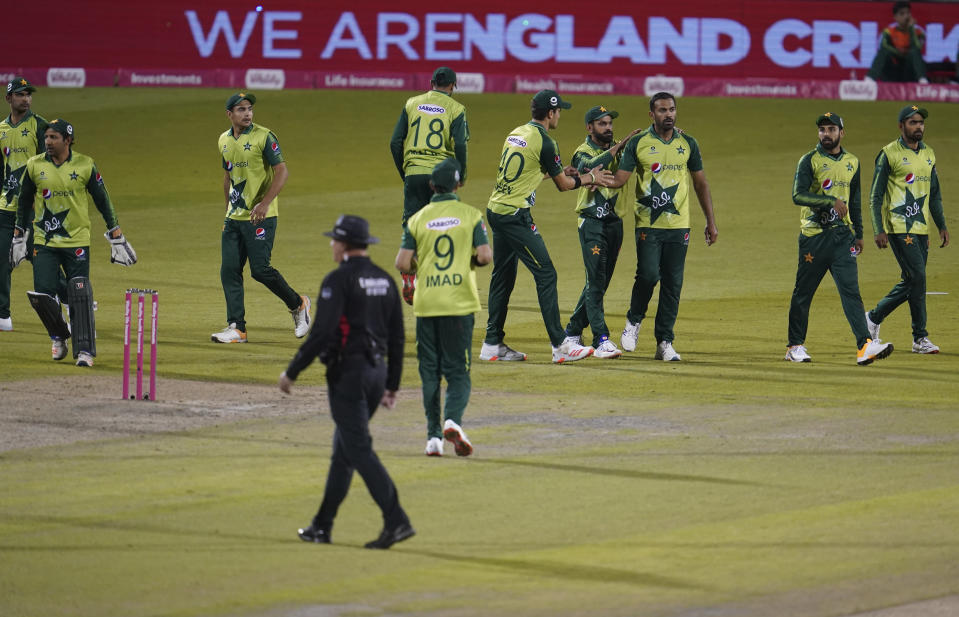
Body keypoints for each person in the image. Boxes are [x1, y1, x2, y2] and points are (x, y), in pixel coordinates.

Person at [280, 215, 414, 550]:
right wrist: (392, 385)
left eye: (334, 239)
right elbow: (398, 337)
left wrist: (292, 371)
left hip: (348, 377)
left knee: (359, 450)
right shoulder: (384, 280)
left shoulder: (337, 280)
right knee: (344, 452)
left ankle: (396, 520)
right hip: (377, 374)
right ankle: (321, 526)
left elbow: (322, 333)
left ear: (343, 244)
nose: (331, 244)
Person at [480, 89, 613, 364]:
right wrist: (590, 177)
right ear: (551, 113)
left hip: (496, 209)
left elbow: (523, 172)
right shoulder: (546, 142)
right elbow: (564, 187)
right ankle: (559, 345)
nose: (559, 115)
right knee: (546, 274)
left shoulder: (516, 133)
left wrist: (557, 171)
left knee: (503, 277)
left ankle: (492, 344)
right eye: (559, 111)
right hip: (516, 216)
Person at [600, 92, 719, 361]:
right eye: (663, 110)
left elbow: (701, 183)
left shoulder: (688, 143)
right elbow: (620, 179)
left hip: (679, 226)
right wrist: (590, 178)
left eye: (672, 109)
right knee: (649, 275)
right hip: (648, 223)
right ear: (651, 115)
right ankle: (634, 320)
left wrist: (711, 222)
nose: (669, 114)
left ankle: (664, 342)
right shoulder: (639, 143)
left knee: (672, 285)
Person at [10, 119, 136, 367]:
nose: (48, 142)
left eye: (54, 137)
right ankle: (58, 336)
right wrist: (18, 236)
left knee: (79, 294)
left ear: (68, 140)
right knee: (42, 295)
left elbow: (102, 200)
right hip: (44, 241)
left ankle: (85, 351)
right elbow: (24, 202)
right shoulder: (34, 166)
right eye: (46, 137)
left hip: (77, 240)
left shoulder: (85, 165)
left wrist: (116, 232)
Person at [395, 159, 491, 457]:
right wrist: (469, 262)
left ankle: (433, 438)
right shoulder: (471, 215)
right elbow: (486, 257)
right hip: (458, 302)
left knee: (430, 373)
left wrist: (420, 265)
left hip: (427, 303)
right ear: (459, 184)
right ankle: (452, 420)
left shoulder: (418, 219)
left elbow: (401, 262)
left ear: (432, 186)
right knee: (458, 371)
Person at [784, 112, 893, 365]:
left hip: (843, 238)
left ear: (841, 133)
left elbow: (854, 201)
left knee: (851, 292)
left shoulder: (852, 162)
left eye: (831, 129)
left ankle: (864, 345)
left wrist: (860, 234)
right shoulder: (808, 161)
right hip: (814, 238)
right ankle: (794, 346)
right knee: (804, 293)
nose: (826, 134)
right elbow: (797, 195)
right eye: (822, 130)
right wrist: (830, 201)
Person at [211, 92, 310, 344]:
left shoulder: (264, 137)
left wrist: (265, 203)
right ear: (229, 114)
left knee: (261, 270)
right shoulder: (223, 140)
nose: (247, 114)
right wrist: (227, 213)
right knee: (229, 270)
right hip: (234, 218)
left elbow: (282, 171)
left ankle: (298, 305)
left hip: (261, 217)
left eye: (250, 109)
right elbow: (227, 177)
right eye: (241, 109)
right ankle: (237, 328)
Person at [865, 104, 949, 354]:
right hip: (899, 227)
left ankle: (909, 335)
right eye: (913, 122)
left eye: (921, 122)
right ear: (901, 126)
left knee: (914, 281)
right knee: (918, 278)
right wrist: (878, 228)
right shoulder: (889, 154)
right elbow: (875, 196)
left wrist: (941, 225)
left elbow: (934, 195)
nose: (918, 126)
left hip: (921, 228)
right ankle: (910, 332)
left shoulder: (929, 154)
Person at [563, 105, 641, 359]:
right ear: (589, 128)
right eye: (602, 124)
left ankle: (573, 330)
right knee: (595, 280)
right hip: (592, 223)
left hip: (614, 223)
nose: (608, 128)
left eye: (609, 123)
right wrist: (617, 149)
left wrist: (672, 133)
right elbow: (589, 166)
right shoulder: (581, 152)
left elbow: (645, 149)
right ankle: (601, 339)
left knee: (599, 282)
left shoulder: (620, 146)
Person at [389, 67, 469, 304]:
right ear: (453, 86)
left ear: (432, 82)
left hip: (413, 172)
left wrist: (406, 171)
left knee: (412, 226)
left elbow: (395, 142)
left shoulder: (412, 103)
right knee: (442, 225)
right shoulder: (456, 109)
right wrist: (460, 173)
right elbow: (461, 144)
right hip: (441, 176)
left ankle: (408, 274)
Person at [0, 77, 48, 332]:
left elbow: (47, 168)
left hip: (32, 210)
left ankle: (70, 300)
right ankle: (2, 316)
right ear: (9, 99)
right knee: (1, 262)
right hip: (5, 209)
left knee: (42, 263)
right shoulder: (1, 130)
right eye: (20, 95)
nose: (26, 99)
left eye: (28, 95)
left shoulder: (40, 127)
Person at [866, 1, 928, 83]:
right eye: (902, 14)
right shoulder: (889, 32)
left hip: (909, 72)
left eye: (908, 13)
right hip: (893, 72)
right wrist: (899, 52)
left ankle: (922, 81)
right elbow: (884, 46)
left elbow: (917, 48)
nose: (906, 16)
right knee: (883, 52)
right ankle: (870, 79)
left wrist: (911, 29)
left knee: (914, 52)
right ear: (895, 17)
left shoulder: (919, 33)